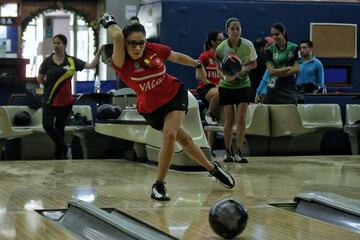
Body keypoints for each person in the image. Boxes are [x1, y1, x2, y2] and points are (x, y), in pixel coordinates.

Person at [99, 13, 235, 201]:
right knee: (185, 140)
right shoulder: (121, 62)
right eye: (132, 43)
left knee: (170, 135)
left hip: (174, 95)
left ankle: (159, 185)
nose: (138, 47)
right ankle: (213, 169)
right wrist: (109, 21)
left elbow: (177, 57)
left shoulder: (154, 50)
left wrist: (197, 64)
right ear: (125, 44)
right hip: (151, 108)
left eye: (141, 42)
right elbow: (117, 36)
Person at [37, 34, 104, 159]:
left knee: (60, 129)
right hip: (48, 100)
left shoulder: (71, 61)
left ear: (65, 45)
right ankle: (65, 148)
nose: (56, 45)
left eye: (59, 43)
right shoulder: (47, 61)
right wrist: (50, 86)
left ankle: (58, 158)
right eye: (54, 43)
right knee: (47, 125)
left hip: (65, 102)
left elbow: (91, 65)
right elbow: (39, 78)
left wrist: (99, 52)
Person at [215, 17, 257, 163]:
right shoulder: (221, 48)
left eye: (237, 28)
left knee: (241, 119)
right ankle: (227, 152)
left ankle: (238, 151)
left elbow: (254, 64)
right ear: (227, 31)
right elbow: (218, 68)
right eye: (232, 29)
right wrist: (226, 77)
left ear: (241, 30)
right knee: (229, 119)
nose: (235, 31)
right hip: (227, 87)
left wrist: (240, 70)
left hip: (244, 85)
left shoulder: (248, 45)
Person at [196, 30, 224, 155]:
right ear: (213, 42)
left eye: (223, 39)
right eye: (219, 39)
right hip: (206, 88)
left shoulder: (223, 57)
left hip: (219, 88)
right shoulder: (205, 56)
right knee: (218, 94)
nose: (222, 42)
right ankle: (209, 114)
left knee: (215, 120)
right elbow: (198, 75)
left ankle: (209, 149)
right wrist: (206, 80)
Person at [264, 23, 300, 104]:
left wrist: (280, 73)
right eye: (272, 35)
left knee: (290, 111)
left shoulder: (295, 48)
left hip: (289, 86)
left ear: (283, 33)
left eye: (277, 34)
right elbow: (271, 72)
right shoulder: (269, 50)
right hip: (273, 86)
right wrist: (286, 69)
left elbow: (297, 69)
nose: (274, 37)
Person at [249, 37, 267, 102]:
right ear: (263, 47)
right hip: (259, 90)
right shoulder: (264, 58)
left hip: (248, 91)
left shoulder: (248, 57)